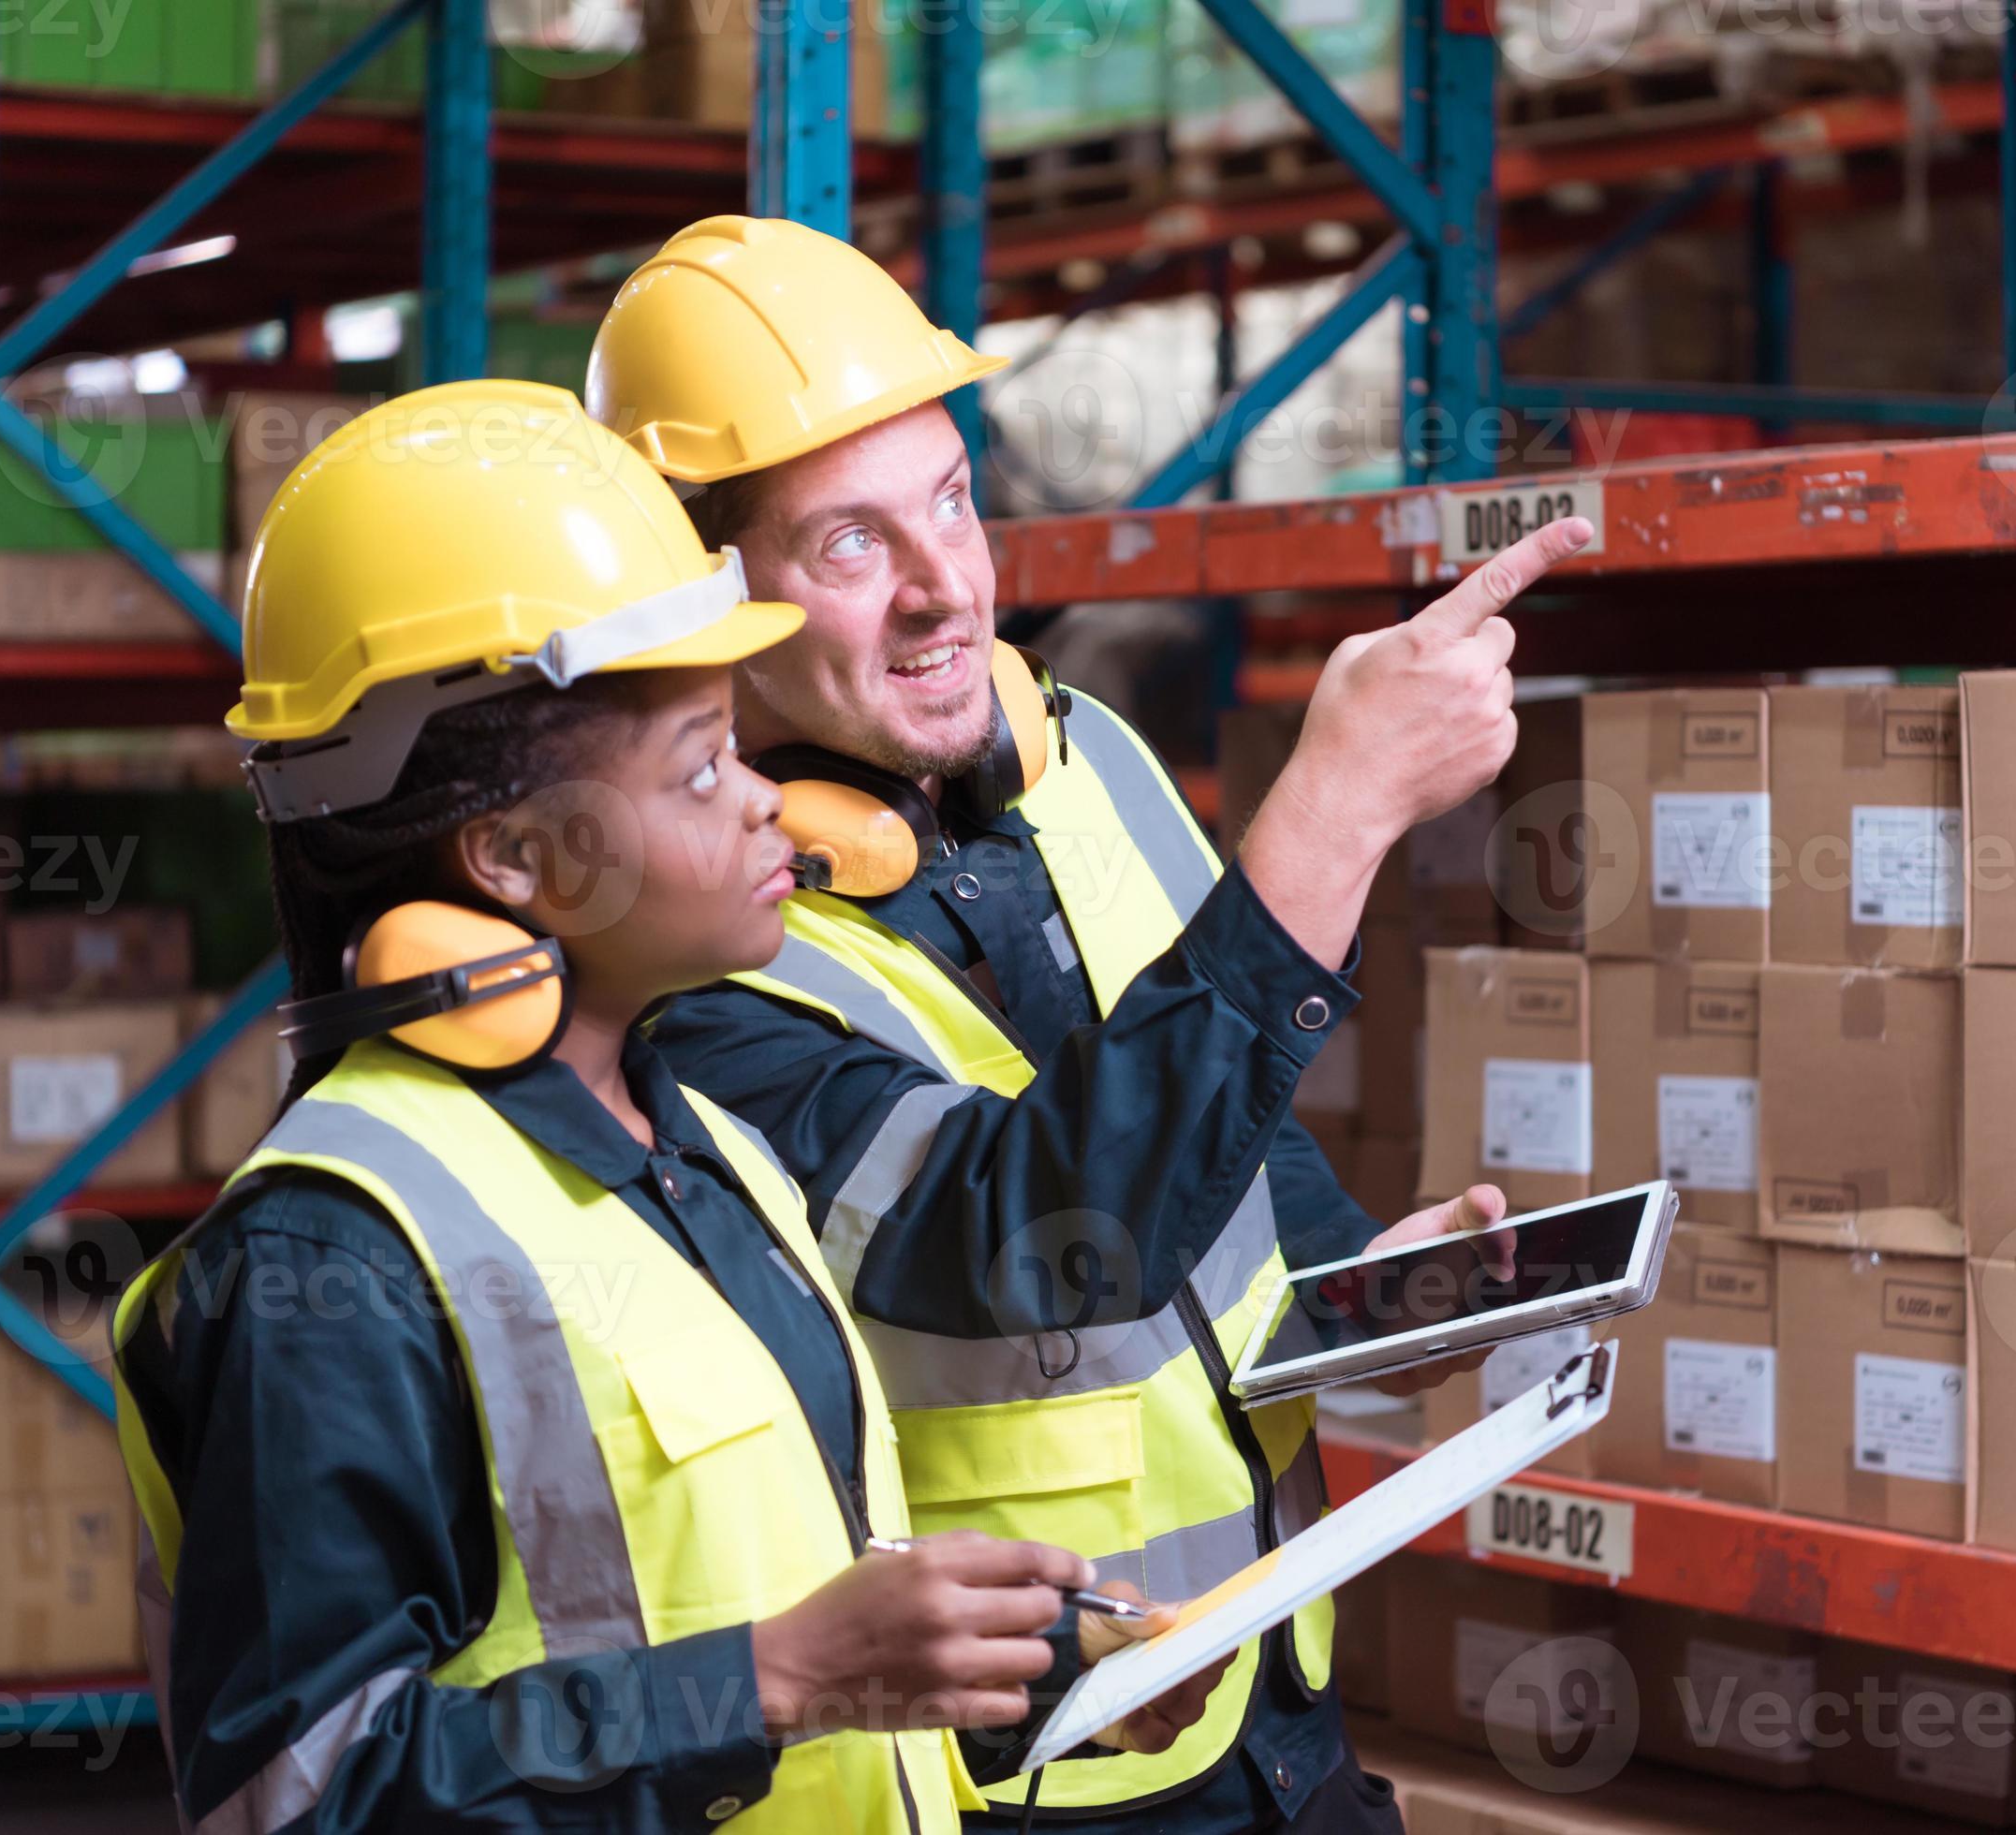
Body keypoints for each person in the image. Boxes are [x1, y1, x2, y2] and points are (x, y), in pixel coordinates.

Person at [588, 218, 1594, 1832]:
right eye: (849, 546)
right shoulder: (691, 966)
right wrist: (1331, 816)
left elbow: (1228, 1142)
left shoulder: (1087, 756)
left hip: (1266, 1691)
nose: (944, 589)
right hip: (1037, 1767)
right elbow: (1040, 1240)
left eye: (950, 501)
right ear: (707, 597)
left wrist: (1369, 1299)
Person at [109, 380, 1220, 1834]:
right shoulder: (334, 1258)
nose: (770, 803)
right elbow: (294, 1799)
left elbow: (750, 1654)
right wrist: (776, 1681)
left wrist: (1017, 1699)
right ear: (515, 856)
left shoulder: (701, 1147)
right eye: (704, 765)